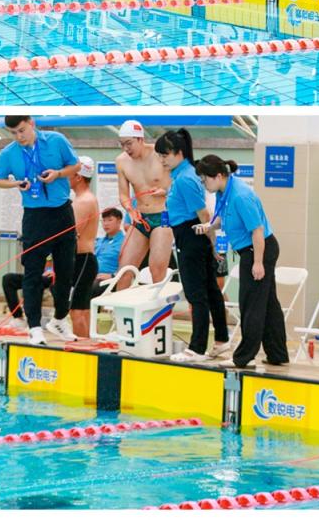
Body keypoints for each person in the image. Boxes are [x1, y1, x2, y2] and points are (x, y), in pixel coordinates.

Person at [194, 156, 288, 369]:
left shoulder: (240, 196)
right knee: (268, 303)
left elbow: (258, 230)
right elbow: (224, 218)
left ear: (218, 176)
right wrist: (209, 226)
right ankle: (277, 353)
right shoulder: (224, 192)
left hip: (258, 249)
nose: (203, 183)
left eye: (204, 179)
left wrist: (258, 263)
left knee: (250, 304)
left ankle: (244, 357)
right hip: (253, 249)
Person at [0, 116, 81, 345]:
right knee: (32, 273)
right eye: (14, 133)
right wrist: (15, 183)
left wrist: (58, 174)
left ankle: (59, 319)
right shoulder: (8, 153)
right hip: (34, 216)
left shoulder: (56, 140)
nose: (19, 136)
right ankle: (34, 327)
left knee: (65, 271)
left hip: (62, 212)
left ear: (31, 123)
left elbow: (76, 165)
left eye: (22, 130)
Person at [154, 130, 230, 362]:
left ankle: (197, 347)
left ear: (179, 153)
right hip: (192, 235)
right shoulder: (183, 175)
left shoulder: (185, 178)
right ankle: (221, 340)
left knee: (196, 293)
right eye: (160, 155)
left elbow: (203, 214)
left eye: (165, 155)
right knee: (211, 290)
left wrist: (213, 244)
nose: (162, 160)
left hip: (192, 236)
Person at [114, 120, 173, 289]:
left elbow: (180, 182)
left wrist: (166, 191)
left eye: (129, 143)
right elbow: (123, 194)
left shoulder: (161, 155)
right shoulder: (121, 161)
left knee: (157, 270)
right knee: (124, 271)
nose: (126, 148)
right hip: (140, 218)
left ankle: (159, 306)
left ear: (140, 139)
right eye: (122, 144)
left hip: (162, 217)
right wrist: (129, 209)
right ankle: (121, 306)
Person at [68, 157, 100, 339]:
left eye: (69, 173)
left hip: (83, 260)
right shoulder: (84, 199)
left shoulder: (83, 201)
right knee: (83, 311)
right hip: (85, 261)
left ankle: (81, 348)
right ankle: (86, 345)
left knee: (77, 312)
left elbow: (72, 235)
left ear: (78, 177)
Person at [2, 263, 54, 330]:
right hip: (36, 275)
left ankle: (56, 318)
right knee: (8, 279)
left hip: (52, 277)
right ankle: (18, 318)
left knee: (38, 280)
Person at [92, 208, 125, 296]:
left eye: (110, 220)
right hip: (91, 275)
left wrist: (113, 276)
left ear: (119, 221)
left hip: (109, 279)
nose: (106, 224)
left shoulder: (125, 242)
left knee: (88, 288)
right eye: (104, 220)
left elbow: (130, 265)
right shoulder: (98, 241)